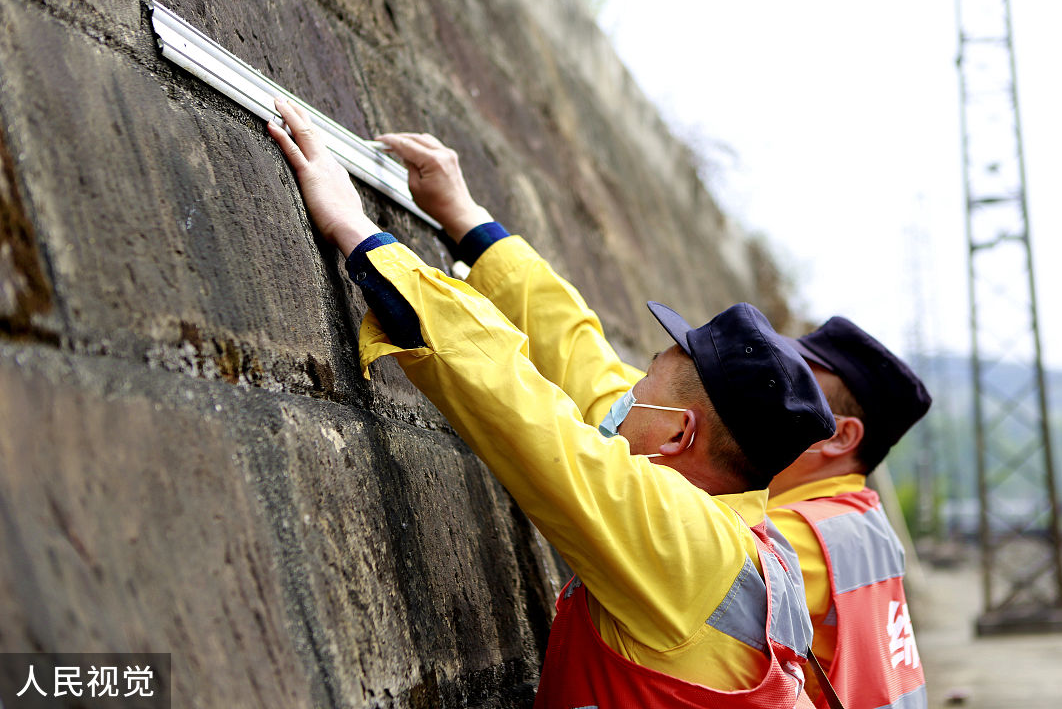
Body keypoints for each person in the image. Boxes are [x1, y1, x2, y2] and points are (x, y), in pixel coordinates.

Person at [266, 97, 838, 707]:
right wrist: (470, 222)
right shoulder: (738, 528)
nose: (626, 392)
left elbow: (523, 407)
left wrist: (357, 233)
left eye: (643, 378)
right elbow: (580, 356)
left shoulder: (691, 546)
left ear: (676, 436)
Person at [766, 317, 932, 709]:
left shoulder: (796, 536)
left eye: (795, 384)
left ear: (840, 436)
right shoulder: (860, 518)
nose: (770, 391)